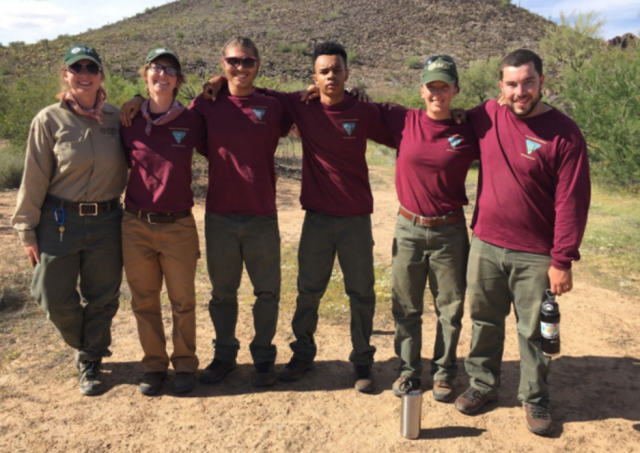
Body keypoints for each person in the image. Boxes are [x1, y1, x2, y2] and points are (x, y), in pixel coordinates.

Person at [204, 41, 395, 392]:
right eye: (324, 71)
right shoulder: (299, 105)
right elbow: (250, 87)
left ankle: (363, 361)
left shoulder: (364, 111)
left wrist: (460, 119)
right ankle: (303, 353)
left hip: (355, 219)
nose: (331, 76)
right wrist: (219, 78)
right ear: (314, 77)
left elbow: (408, 125)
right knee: (308, 292)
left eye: (337, 70)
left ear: (347, 73)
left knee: (362, 293)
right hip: (317, 218)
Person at [121, 37, 292, 387]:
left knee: (267, 293)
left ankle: (263, 359)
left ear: (258, 64)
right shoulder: (205, 106)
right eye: (233, 61)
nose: (240, 67)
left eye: (247, 61)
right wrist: (138, 99)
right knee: (222, 294)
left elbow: (311, 101)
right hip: (220, 215)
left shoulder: (274, 106)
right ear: (222, 63)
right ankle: (224, 357)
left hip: (262, 215)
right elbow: (165, 110)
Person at [453, 49, 590, 436]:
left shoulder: (565, 133)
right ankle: (482, 384)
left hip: (535, 254)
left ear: (542, 82)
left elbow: (572, 202)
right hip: (485, 244)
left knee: (533, 331)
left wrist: (562, 260)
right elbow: (453, 116)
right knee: (484, 321)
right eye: (512, 84)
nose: (520, 91)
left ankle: (535, 397)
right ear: (500, 87)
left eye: (528, 82)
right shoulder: (488, 114)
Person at [11, 44, 128, 395]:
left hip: (108, 220)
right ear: (65, 75)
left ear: (101, 75)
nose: (84, 74)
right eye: (76, 68)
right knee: (50, 293)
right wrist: (26, 229)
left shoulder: (117, 118)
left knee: (103, 295)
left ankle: (91, 358)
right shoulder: (49, 119)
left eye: (91, 68)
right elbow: (33, 177)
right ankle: (85, 342)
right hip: (59, 219)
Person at [376, 56, 479, 401]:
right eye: (432, 86)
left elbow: (504, 112)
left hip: (450, 231)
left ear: (455, 90)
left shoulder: (470, 127)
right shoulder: (402, 120)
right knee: (406, 306)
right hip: (409, 227)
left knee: (450, 308)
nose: (438, 93)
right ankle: (408, 372)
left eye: (444, 86)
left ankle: (445, 371)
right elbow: (352, 103)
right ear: (422, 90)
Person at [120, 48, 206, 395]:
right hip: (136, 224)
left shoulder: (193, 120)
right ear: (145, 75)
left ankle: (184, 364)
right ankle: (154, 365)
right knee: (144, 300)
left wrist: (216, 79)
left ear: (178, 80)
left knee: (183, 300)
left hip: (179, 224)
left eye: (170, 70)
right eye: (156, 68)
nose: (162, 75)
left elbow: (223, 107)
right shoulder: (127, 120)